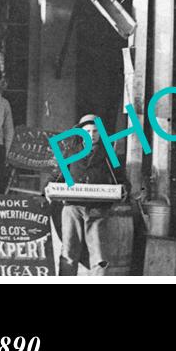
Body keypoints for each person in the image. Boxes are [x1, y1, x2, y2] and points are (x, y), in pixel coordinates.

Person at [52, 114, 121, 276]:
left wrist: (124, 188)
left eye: (95, 131)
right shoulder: (71, 152)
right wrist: (48, 187)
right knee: (69, 252)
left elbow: (120, 177)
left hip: (97, 209)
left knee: (100, 256)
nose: (92, 135)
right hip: (72, 207)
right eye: (87, 131)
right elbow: (57, 176)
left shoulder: (108, 153)